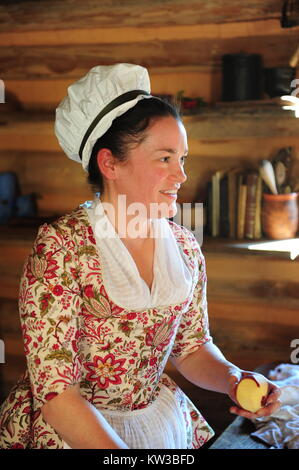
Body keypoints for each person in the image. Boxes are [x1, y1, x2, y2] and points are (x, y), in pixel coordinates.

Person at [0, 64, 281, 450]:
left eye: (182, 158)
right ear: (110, 163)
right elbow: (57, 393)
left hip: (156, 423)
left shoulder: (184, 246)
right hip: (74, 432)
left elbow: (192, 348)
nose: (181, 174)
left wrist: (234, 379)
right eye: (165, 158)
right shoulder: (62, 248)